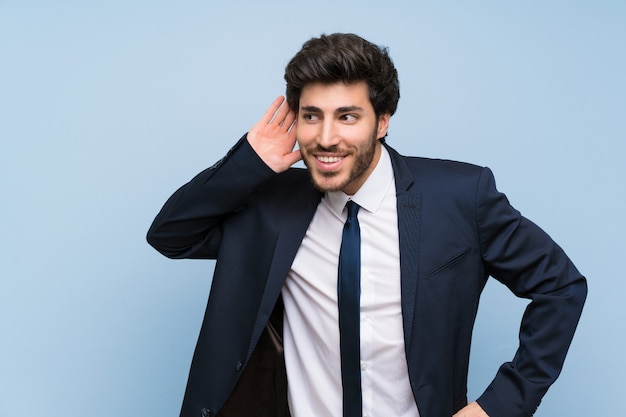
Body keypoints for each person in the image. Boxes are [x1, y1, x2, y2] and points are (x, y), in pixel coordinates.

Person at [147, 33, 586, 417]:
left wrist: (498, 406)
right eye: (311, 115)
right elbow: (170, 234)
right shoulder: (272, 203)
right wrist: (249, 162)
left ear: (383, 121)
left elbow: (561, 287)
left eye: (347, 116)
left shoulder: (460, 196)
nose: (325, 137)